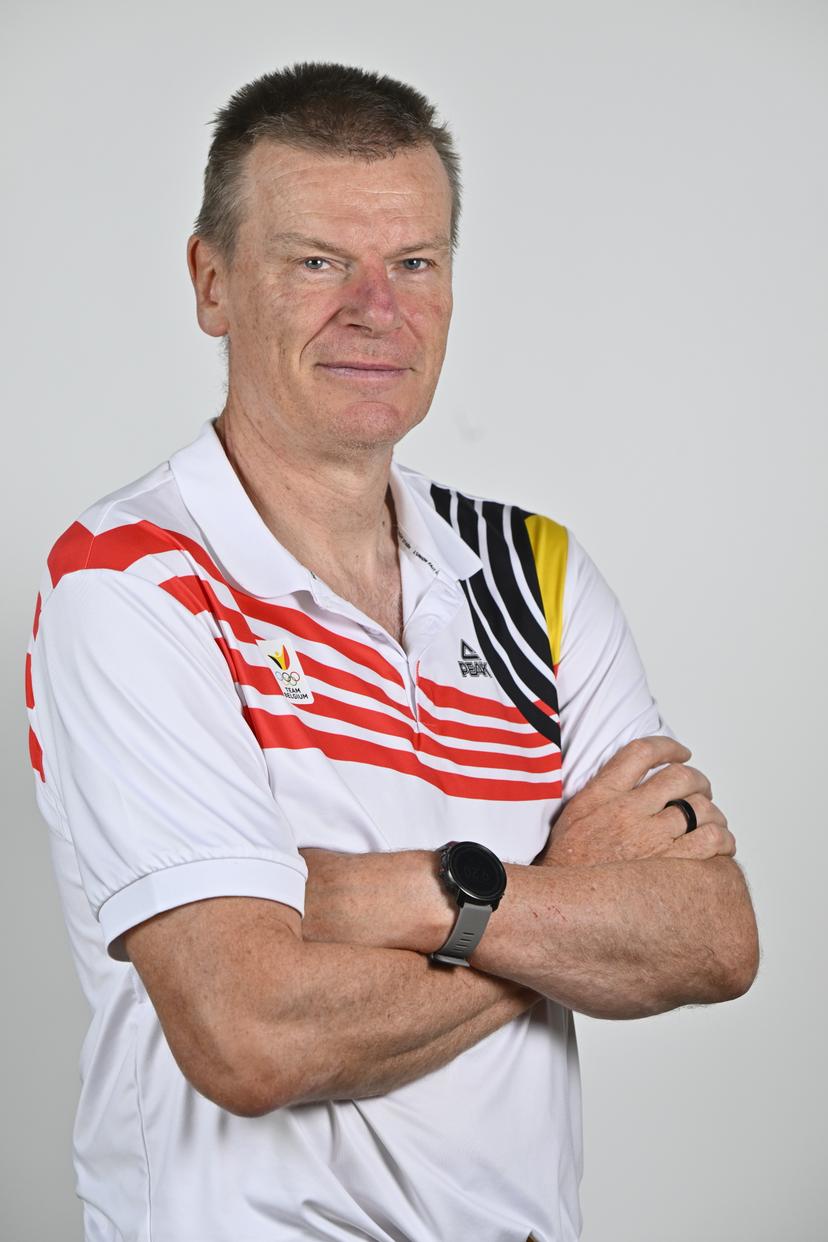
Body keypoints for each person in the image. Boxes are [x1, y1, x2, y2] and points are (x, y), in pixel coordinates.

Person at [24, 61, 759, 1242]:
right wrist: (557, 905)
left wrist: (380, 897)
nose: (378, 308)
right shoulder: (132, 583)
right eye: (318, 261)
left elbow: (714, 938)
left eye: (415, 262)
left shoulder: (537, 575)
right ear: (212, 284)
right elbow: (252, 1034)